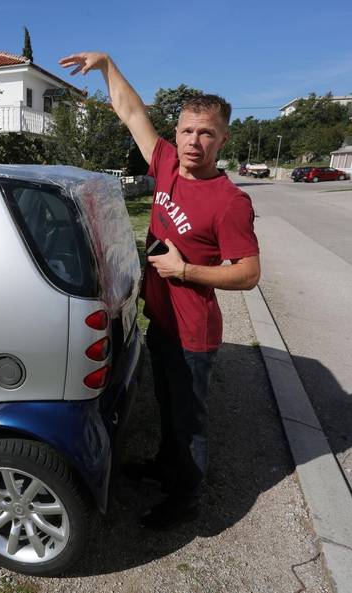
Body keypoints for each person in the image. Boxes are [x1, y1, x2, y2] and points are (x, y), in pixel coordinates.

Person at [59, 52, 261, 529]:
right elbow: (131, 112)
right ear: (178, 133)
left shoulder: (231, 201)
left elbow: (249, 273)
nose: (195, 141)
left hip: (195, 333)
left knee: (189, 422)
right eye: (188, 130)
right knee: (168, 408)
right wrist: (107, 66)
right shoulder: (167, 163)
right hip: (162, 320)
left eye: (207, 132)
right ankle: (164, 468)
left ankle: (186, 501)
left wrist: (184, 269)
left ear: (223, 138)